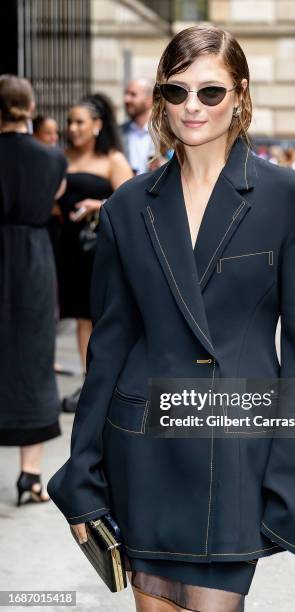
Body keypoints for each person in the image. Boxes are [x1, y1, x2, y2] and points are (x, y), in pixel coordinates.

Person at [47, 24, 295, 612]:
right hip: (143, 453)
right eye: (176, 92)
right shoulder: (130, 205)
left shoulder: (288, 199)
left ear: (240, 94)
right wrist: (82, 478)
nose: (192, 107)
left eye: (211, 91)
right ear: (160, 99)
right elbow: (108, 348)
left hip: (235, 452)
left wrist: (294, 487)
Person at [0, 75, 67, 504]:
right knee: (34, 356)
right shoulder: (52, 159)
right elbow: (56, 196)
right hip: (34, 258)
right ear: (31, 107)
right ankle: (30, 475)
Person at [56, 93, 133, 412]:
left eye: (79, 122)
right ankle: (90, 381)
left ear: (97, 126)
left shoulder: (112, 159)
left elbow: (131, 201)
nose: (73, 128)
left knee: (98, 314)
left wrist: (97, 205)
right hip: (68, 246)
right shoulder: (63, 156)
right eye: (70, 122)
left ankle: (107, 380)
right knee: (80, 317)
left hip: (99, 247)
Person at [121, 77, 157, 174]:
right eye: (126, 94)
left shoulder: (166, 133)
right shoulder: (118, 132)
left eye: (133, 95)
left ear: (149, 100)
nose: (126, 99)